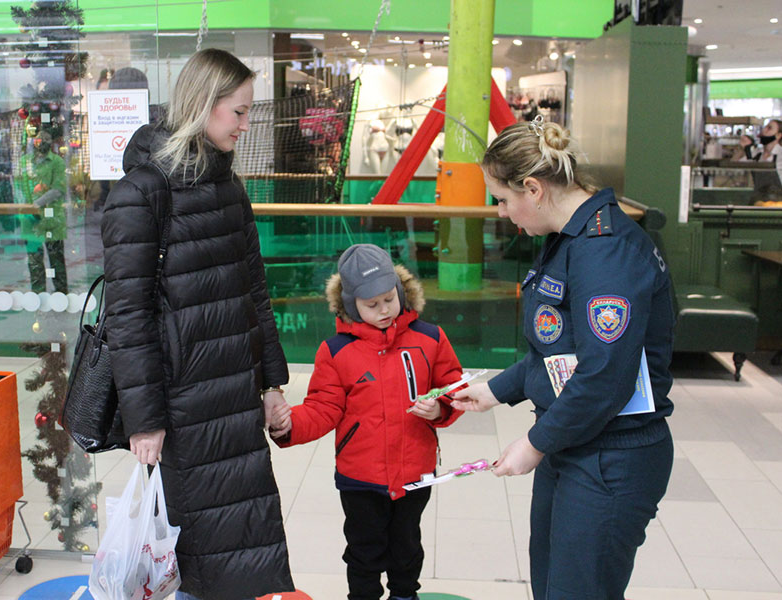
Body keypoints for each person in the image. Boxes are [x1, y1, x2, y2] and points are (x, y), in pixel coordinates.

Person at [450, 117, 675, 600]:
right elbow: (560, 353)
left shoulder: (605, 251)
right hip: (573, 441)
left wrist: (534, 443)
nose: (501, 212)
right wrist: (494, 390)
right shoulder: (567, 239)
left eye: (503, 199)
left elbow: (603, 377)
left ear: (532, 188)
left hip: (611, 455)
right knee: (552, 587)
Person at [100, 48, 293, 600]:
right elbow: (128, 314)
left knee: (245, 543)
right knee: (191, 552)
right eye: (239, 111)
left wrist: (271, 385)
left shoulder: (228, 188)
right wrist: (144, 420)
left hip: (233, 398)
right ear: (204, 105)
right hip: (182, 407)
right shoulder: (142, 192)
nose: (246, 123)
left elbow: (254, 292)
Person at [270, 243, 464, 600]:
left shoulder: (430, 338)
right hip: (360, 476)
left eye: (389, 299)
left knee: (407, 547)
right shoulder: (336, 351)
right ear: (349, 305)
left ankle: (405, 595)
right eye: (371, 305)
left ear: (401, 291)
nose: (384, 310)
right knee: (364, 550)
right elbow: (322, 407)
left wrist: (441, 407)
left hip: (414, 471)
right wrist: (289, 425)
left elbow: (452, 384)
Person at [16, 129, 68, 293]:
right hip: (30, 220)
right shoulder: (25, 162)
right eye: (39, 139)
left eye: (46, 139)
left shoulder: (57, 162)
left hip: (51, 220)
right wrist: (25, 207)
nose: (42, 142)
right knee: (34, 261)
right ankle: (38, 296)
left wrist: (36, 204)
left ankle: (61, 294)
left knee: (56, 260)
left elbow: (58, 189)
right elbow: (18, 185)